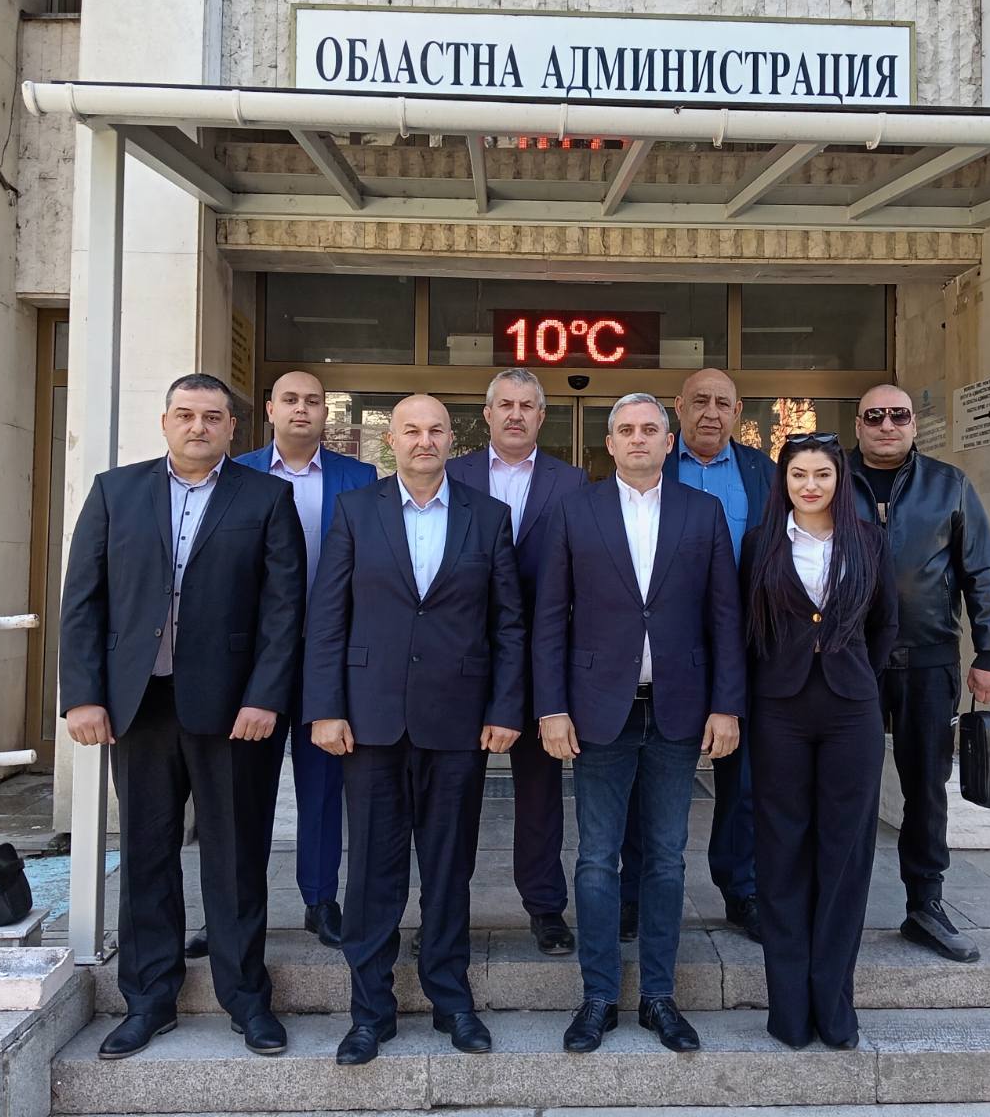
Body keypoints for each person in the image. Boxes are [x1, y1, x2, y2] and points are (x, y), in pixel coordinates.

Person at [60, 373, 304, 1060]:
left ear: (233, 428)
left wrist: (265, 696)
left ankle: (246, 999)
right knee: (145, 853)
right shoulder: (115, 492)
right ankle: (148, 1000)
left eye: (213, 417)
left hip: (234, 711)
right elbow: (83, 599)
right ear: (165, 421)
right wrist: (83, 694)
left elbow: (285, 609)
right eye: (187, 415)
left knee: (236, 857)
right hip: (138, 705)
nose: (199, 427)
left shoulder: (267, 497)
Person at [304, 394, 527, 1066]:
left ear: (453, 440)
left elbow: (508, 623)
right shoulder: (354, 510)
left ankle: (451, 1001)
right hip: (369, 722)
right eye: (411, 430)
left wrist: (506, 708)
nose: (424, 440)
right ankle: (369, 1012)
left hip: (458, 722)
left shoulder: (488, 516)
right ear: (391, 441)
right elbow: (328, 616)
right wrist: (325, 708)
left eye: (435, 430)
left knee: (449, 869)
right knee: (372, 873)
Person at [533, 393, 747, 1055]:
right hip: (599, 709)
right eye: (625, 429)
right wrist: (550, 706)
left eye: (650, 429)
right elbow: (549, 616)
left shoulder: (702, 511)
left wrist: (727, 704)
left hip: (679, 709)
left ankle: (659, 996)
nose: (637, 439)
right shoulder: (576, 510)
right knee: (597, 858)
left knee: (665, 859)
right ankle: (598, 996)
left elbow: (725, 617)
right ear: (609, 442)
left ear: (667, 440)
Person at [184, 371, 375, 957]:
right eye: (290, 399)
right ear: (269, 410)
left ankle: (320, 900)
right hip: (254, 659)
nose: (301, 409)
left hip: (328, 655)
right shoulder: (234, 474)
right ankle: (230, 911)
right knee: (239, 791)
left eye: (312, 401)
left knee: (324, 785)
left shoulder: (360, 478)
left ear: (325, 412)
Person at [741, 432, 897, 1049]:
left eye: (822, 475)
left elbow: (886, 625)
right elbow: (746, 628)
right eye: (799, 474)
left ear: (839, 481)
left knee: (845, 855)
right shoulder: (760, 542)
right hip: (778, 711)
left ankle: (834, 1006)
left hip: (850, 714)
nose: (810, 485)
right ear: (783, 481)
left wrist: (852, 675)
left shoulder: (870, 542)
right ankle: (789, 1011)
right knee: (781, 853)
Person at [849, 384, 990, 964]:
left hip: (928, 658)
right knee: (849, 786)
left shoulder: (949, 485)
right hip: (850, 660)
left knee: (925, 788)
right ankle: (840, 906)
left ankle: (925, 904)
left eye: (899, 415)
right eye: (874, 416)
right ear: (858, 425)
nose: (886, 425)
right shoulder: (833, 480)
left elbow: (981, 573)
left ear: (914, 424)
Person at [620, 368, 772, 943]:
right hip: (666, 644)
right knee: (645, 773)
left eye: (723, 403)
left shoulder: (764, 473)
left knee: (744, 777)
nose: (711, 412)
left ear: (738, 412)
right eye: (700, 401)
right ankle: (634, 893)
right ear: (678, 408)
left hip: (745, 643)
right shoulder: (654, 463)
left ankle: (742, 888)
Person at [447, 368, 587, 956]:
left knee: (540, 792)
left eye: (527, 406)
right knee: (453, 795)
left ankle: (545, 907)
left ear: (541, 416)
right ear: (487, 414)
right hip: (460, 657)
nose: (515, 414)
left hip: (538, 657)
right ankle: (444, 910)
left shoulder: (571, 482)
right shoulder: (452, 473)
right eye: (504, 404)